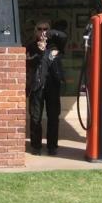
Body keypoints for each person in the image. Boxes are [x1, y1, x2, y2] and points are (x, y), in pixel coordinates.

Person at [26, 20, 67, 155]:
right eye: (40, 29)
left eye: (45, 29)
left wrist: (51, 33)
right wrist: (40, 51)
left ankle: (52, 146)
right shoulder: (31, 46)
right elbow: (29, 62)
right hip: (37, 85)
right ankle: (36, 146)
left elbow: (64, 36)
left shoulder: (55, 44)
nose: (43, 31)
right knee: (35, 117)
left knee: (53, 117)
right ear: (35, 31)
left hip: (53, 86)